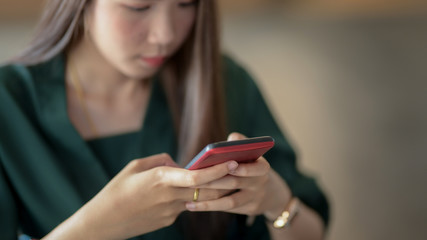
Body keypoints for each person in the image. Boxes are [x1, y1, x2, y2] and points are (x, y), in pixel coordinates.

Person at [0, 0, 329, 239]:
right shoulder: (9, 105)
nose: (166, 34)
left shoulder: (226, 83)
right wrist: (93, 229)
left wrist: (277, 203)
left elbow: (312, 230)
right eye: (139, 7)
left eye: (187, 3)